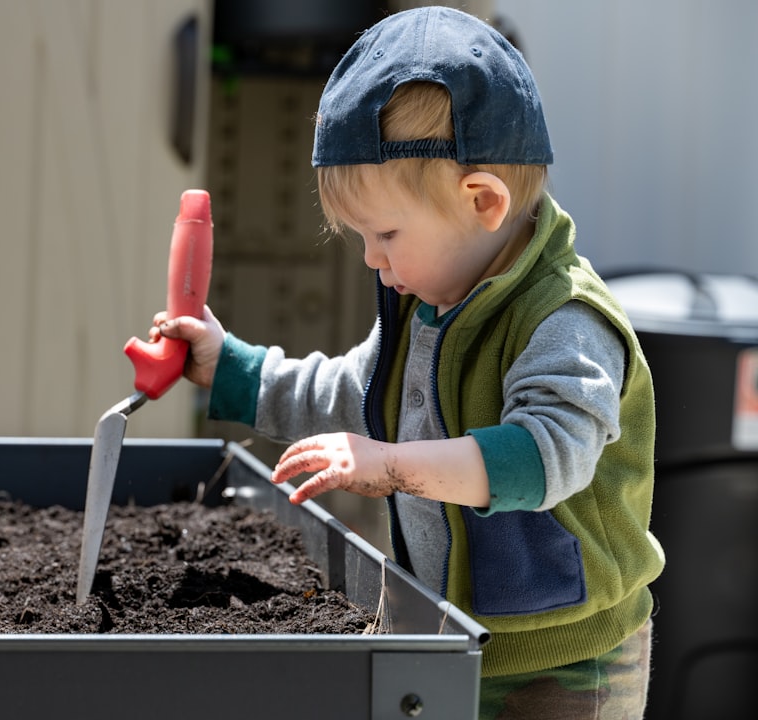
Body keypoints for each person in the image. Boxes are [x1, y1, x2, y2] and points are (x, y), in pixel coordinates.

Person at [152, 6, 664, 719]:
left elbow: (543, 458)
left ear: (482, 202)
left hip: (564, 664)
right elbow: (355, 397)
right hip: (445, 632)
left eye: (386, 233)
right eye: (361, 237)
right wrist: (231, 369)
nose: (371, 258)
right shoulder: (430, 304)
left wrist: (392, 464)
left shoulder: (566, 320)